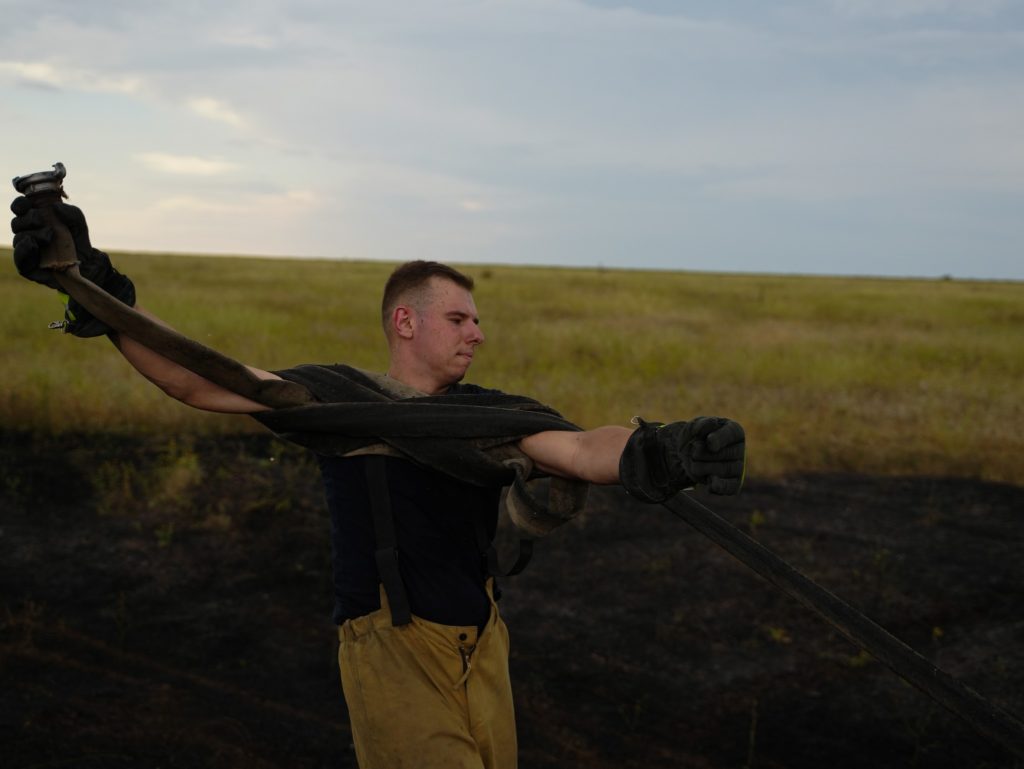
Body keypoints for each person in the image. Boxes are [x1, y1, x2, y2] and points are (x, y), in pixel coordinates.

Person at [10, 196, 746, 769]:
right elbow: (203, 380)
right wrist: (100, 291)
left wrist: (662, 448)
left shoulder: (489, 417)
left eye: (478, 319)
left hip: (483, 643)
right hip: (394, 649)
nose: (476, 332)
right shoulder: (337, 402)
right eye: (458, 317)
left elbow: (584, 448)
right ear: (405, 320)